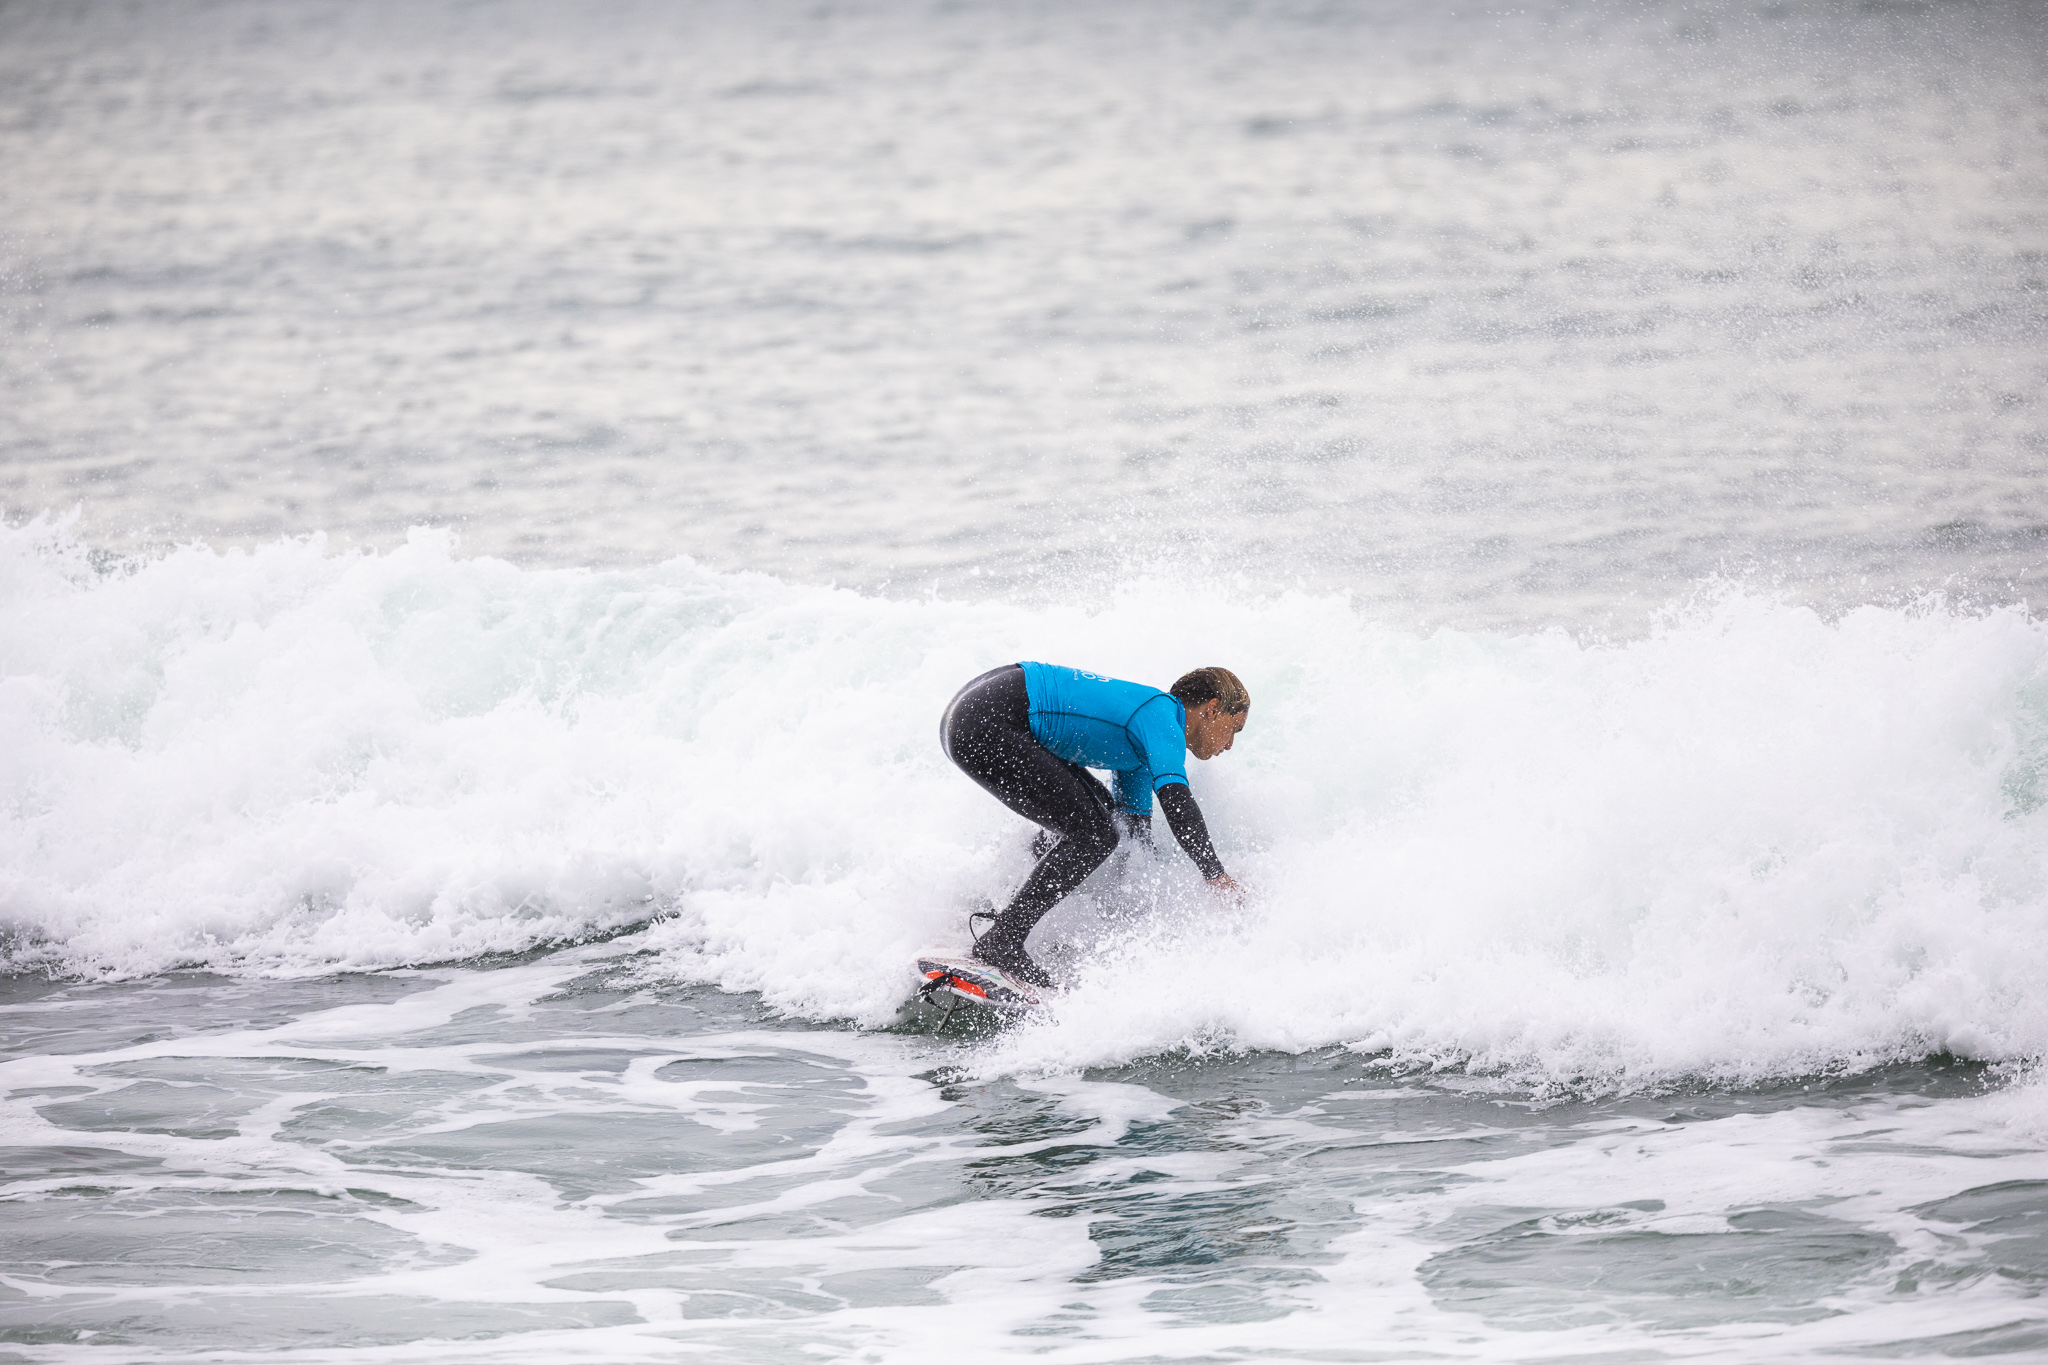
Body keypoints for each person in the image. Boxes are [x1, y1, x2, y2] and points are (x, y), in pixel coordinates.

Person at [939, 662, 1249, 988]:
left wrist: (1150, 913)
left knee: (1099, 821)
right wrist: (1216, 875)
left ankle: (1000, 913)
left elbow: (1133, 837)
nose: (1229, 744)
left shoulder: (1145, 743)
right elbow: (1176, 802)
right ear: (1212, 710)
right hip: (991, 718)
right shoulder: (1163, 716)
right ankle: (1003, 938)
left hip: (975, 716)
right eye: (1235, 728)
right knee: (1095, 835)